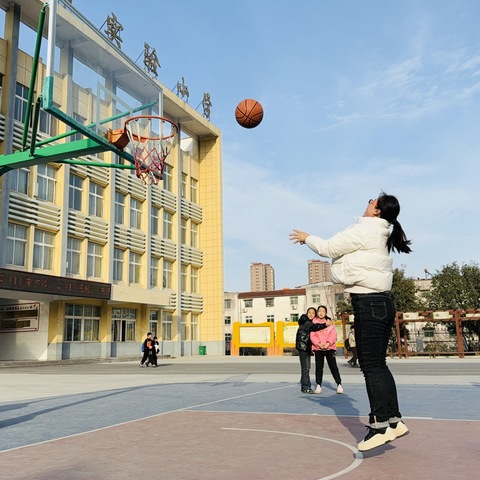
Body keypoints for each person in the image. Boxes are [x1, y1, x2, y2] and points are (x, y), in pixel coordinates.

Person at [290, 192, 411, 452]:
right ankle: (394, 420)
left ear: (377, 211)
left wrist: (306, 237)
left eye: (372, 200)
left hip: (369, 303)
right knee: (379, 364)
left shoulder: (365, 230)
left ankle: (379, 426)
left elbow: (329, 248)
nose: (368, 201)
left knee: (371, 366)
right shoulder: (379, 233)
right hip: (382, 303)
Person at [310, 311, 343, 394]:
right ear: (317, 313)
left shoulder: (330, 323)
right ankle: (318, 385)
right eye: (319, 311)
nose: (321, 313)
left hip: (329, 348)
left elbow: (333, 335)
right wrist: (319, 344)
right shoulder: (313, 323)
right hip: (318, 348)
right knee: (319, 367)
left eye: (323, 311)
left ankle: (339, 384)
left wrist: (328, 343)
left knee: (333, 367)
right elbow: (312, 335)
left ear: (325, 313)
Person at [295, 308, 327, 394]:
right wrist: (325, 324)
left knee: (306, 367)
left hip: (306, 347)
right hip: (303, 347)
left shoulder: (309, 321)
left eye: (313, 313)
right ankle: (306, 387)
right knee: (305, 367)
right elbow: (315, 327)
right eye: (309, 312)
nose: (311, 314)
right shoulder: (305, 321)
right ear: (306, 313)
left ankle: (304, 384)